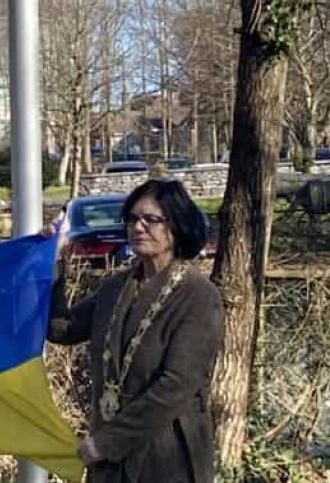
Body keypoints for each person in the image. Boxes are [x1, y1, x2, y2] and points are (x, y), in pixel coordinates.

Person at [46, 179, 225, 483]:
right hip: (111, 464)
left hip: (166, 460)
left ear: (177, 226)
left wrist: (106, 442)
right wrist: (50, 262)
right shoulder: (115, 288)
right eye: (132, 218)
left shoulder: (199, 296)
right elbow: (61, 329)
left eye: (151, 219)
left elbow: (174, 387)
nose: (138, 227)